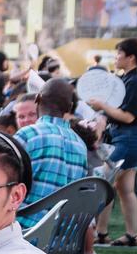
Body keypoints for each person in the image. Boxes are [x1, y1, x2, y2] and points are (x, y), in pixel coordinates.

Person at [86, 38, 137, 247]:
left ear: (130, 57)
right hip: (130, 139)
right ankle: (131, 236)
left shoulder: (135, 82)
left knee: (103, 183)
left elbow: (128, 117)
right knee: (124, 189)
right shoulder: (130, 80)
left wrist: (102, 106)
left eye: (119, 54)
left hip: (129, 138)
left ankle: (100, 233)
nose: (116, 58)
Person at [14, 78, 88, 225]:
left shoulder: (27, 135)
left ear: (37, 98)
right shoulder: (80, 145)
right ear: (69, 107)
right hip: (62, 234)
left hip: (24, 229)